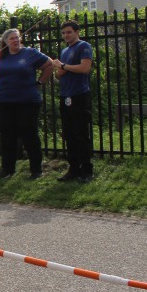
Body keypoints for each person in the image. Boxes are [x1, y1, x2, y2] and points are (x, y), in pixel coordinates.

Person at [0, 28, 54, 179]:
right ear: (5, 42)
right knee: (7, 136)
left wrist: (40, 82)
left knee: (29, 134)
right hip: (4, 101)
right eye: (12, 38)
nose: (15, 40)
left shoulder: (30, 53)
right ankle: (7, 169)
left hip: (27, 101)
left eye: (17, 37)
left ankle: (36, 170)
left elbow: (49, 64)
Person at [54, 20, 94, 182]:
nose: (66, 35)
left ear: (77, 32)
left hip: (79, 95)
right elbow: (58, 74)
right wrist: (60, 69)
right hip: (65, 94)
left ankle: (86, 170)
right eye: (63, 33)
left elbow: (85, 68)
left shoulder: (83, 46)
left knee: (80, 133)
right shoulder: (65, 50)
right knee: (69, 134)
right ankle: (73, 169)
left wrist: (63, 66)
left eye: (69, 32)